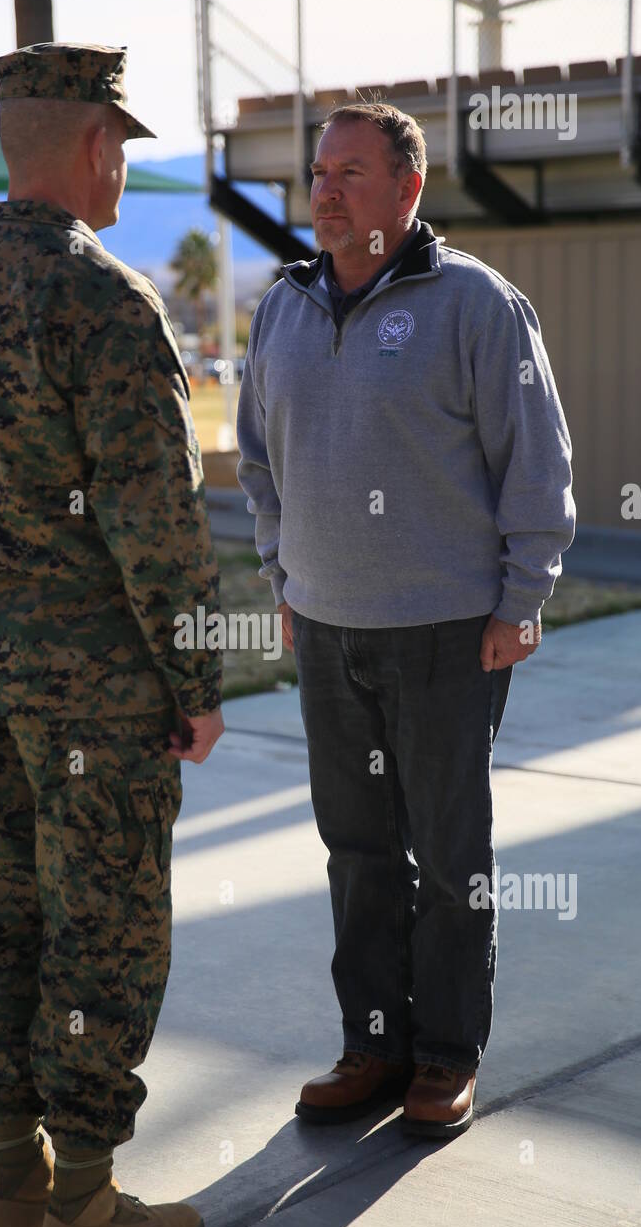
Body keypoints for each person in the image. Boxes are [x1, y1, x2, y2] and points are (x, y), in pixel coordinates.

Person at [0, 42, 224, 1227]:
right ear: (91, 147)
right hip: (98, 692)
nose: (125, 165)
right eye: (122, 144)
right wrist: (193, 682)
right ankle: (85, 1197)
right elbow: (156, 524)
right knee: (102, 926)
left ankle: (7, 1189)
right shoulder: (106, 303)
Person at [236, 101, 576, 1140]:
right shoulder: (282, 305)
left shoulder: (475, 303)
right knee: (356, 848)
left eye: (347, 171)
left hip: (444, 630)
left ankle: (443, 1056)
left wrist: (520, 602)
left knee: (445, 852)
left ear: (406, 189)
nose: (323, 189)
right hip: (326, 630)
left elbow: (538, 463)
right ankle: (373, 1042)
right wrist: (282, 574)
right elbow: (256, 458)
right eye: (317, 171)